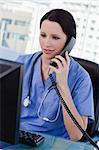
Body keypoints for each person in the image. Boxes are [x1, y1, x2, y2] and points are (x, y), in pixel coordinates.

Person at [17, 9, 94, 141]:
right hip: (16, 138)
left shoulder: (81, 78)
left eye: (55, 37)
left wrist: (63, 85)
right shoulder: (22, 63)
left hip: (52, 144)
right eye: (43, 35)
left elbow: (76, 135)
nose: (46, 44)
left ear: (69, 42)